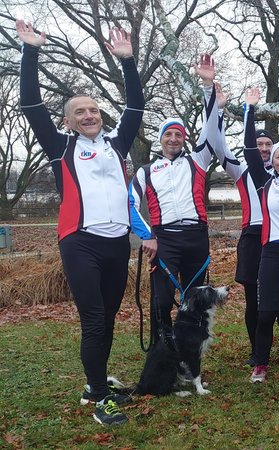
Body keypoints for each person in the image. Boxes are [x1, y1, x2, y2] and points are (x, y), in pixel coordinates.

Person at [17, 21, 143, 425]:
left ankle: (95, 387)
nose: (89, 115)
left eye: (93, 109)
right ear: (68, 122)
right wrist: (31, 51)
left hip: (116, 244)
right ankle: (101, 399)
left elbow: (136, 107)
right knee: (93, 320)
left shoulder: (116, 143)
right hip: (80, 242)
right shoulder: (60, 146)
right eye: (79, 112)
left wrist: (128, 63)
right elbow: (31, 105)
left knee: (107, 319)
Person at [211, 87, 279, 382]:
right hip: (271, 252)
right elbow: (251, 151)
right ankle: (260, 363)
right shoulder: (263, 182)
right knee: (266, 310)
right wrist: (249, 111)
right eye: (276, 157)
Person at [129, 54, 222, 344]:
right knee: (161, 300)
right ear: (161, 139)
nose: (173, 139)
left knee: (196, 299)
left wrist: (208, 86)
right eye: (168, 134)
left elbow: (211, 127)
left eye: (178, 134)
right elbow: (128, 204)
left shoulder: (197, 160)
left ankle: (191, 352)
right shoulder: (147, 170)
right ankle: (163, 351)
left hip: (196, 236)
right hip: (164, 240)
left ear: (183, 138)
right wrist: (147, 235)